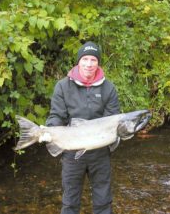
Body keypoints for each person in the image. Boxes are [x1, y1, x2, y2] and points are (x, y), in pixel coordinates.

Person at [46, 41, 120, 214]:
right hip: (72, 152)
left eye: (93, 60)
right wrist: (50, 130)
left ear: (98, 63)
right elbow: (57, 115)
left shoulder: (108, 88)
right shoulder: (63, 86)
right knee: (70, 202)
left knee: (103, 202)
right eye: (85, 59)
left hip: (100, 152)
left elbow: (112, 120)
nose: (88, 64)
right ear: (78, 61)